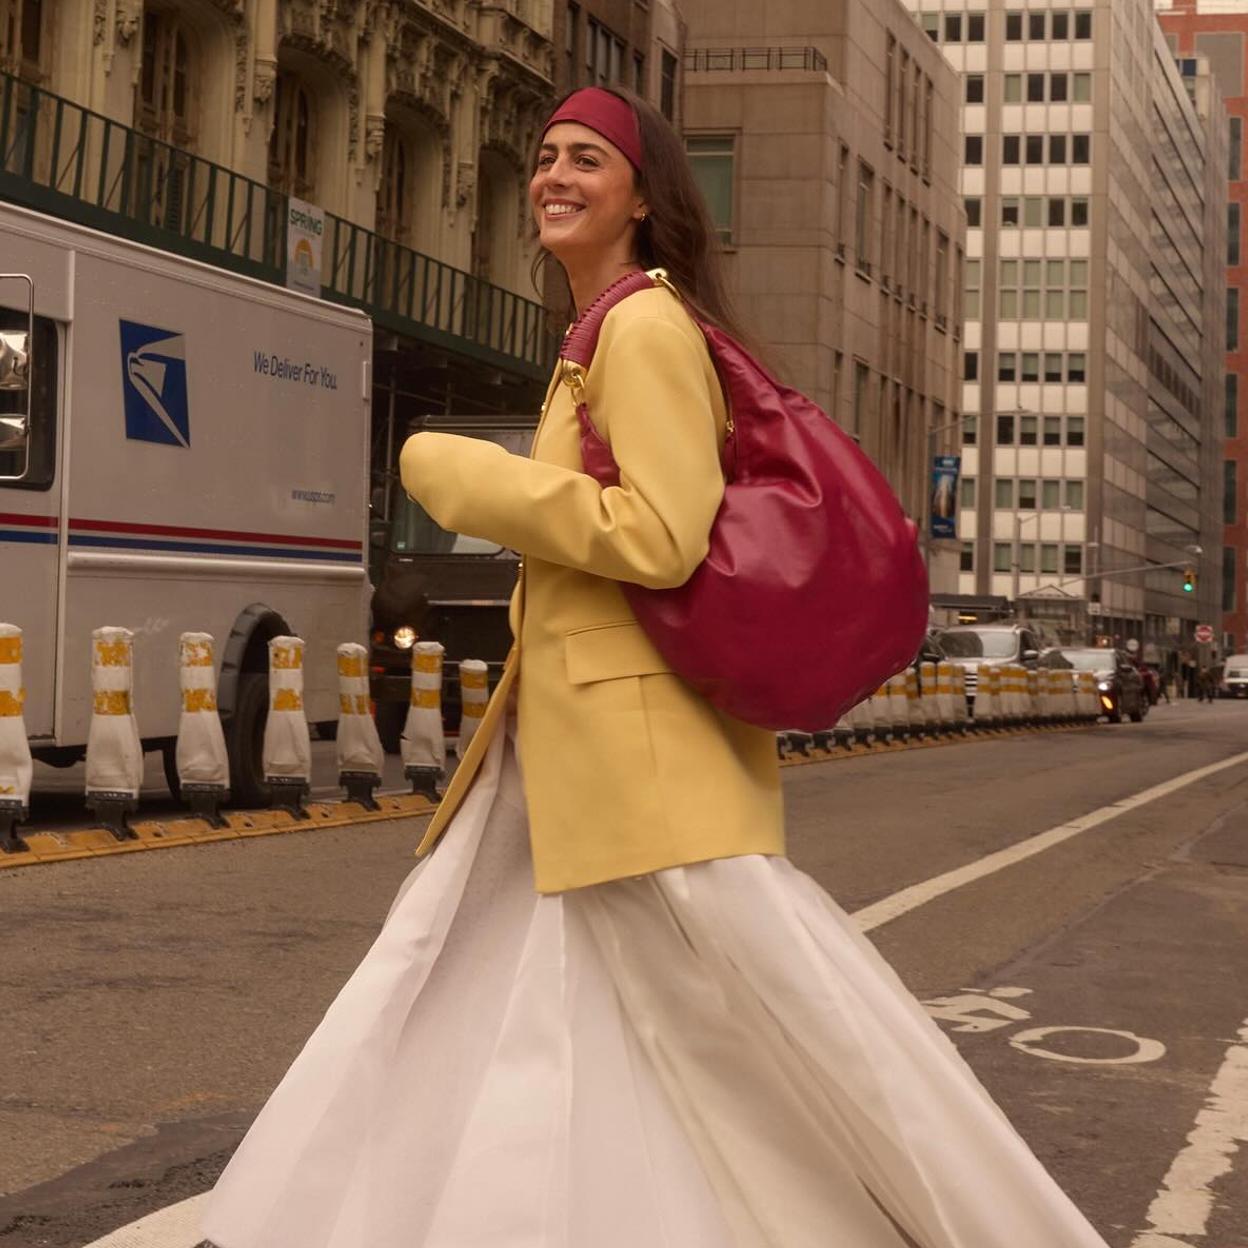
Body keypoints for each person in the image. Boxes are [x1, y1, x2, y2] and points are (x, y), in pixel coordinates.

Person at [200, 87, 1111, 1248]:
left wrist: (467, 478)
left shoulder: (643, 329)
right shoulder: (595, 339)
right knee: (478, 979)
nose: (555, 176)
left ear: (641, 197)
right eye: (544, 159)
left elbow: (664, 532)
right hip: (571, 748)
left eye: (587, 159)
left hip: (638, 756)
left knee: (781, 1013)